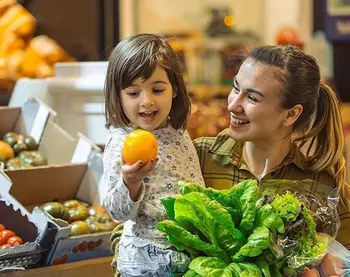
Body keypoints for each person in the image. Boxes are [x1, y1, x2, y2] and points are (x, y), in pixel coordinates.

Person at [193, 45, 350, 276]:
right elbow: (139, 230)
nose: (233, 105)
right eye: (236, 88)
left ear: (291, 114)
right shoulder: (200, 158)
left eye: (252, 98)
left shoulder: (322, 185)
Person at [102, 33, 204, 276]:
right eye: (133, 93)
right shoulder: (121, 142)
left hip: (187, 251)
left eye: (157, 89)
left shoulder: (178, 133)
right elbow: (117, 213)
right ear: (118, 96)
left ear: (175, 90)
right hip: (145, 255)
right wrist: (130, 181)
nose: (147, 101)